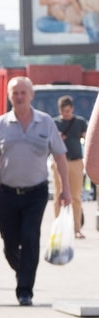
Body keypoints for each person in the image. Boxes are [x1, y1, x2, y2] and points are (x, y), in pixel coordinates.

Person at [0, 77, 71, 306]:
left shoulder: (45, 123)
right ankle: (23, 269)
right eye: (15, 92)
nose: (20, 96)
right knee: (10, 244)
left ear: (31, 95)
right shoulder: (0, 124)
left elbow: (60, 156)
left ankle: (25, 289)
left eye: (24, 92)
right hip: (6, 193)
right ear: (9, 96)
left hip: (36, 192)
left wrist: (65, 188)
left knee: (30, 237)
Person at [51, 95, 87, 239]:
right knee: (58, 195)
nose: (66, 114)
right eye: (63, 111)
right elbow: (47, 141)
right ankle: (58, 228)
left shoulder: (80, 122)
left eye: (68, 110)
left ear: (72, 109)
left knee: (76, 196)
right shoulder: (54, 123)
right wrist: (56, 137)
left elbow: (87, 137)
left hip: (76, 161)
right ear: (59, 110)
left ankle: (76, 229)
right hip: (59, 163)